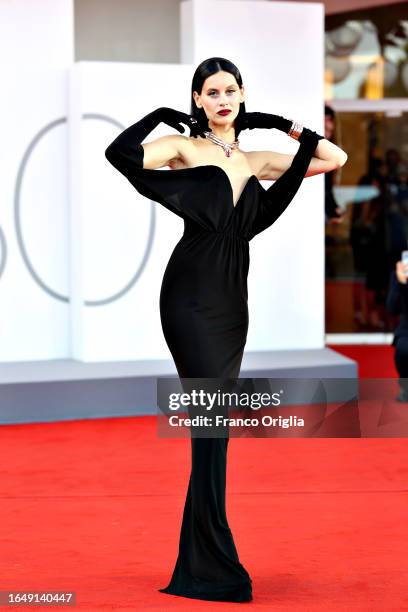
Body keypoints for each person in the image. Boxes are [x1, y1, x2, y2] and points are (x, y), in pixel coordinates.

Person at [104, 57, 348, 603]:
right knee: (211, 425)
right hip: (189, 296)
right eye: (211, 91)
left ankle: (203, 561)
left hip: (232, 300)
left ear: (242, 96)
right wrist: (162, 115)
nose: (222, 99)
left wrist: (276, 122)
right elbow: (118, 154)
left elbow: (334, 157)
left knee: (213, 428)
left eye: (231, 91)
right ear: (197, 98)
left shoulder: (259, 157)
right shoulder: (182, 148)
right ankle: (210, 563)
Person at [386, 259, 408, 401]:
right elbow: (392, 309)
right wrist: (402, 283)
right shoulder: (398, 275)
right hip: (407, 329)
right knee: (403, 347)